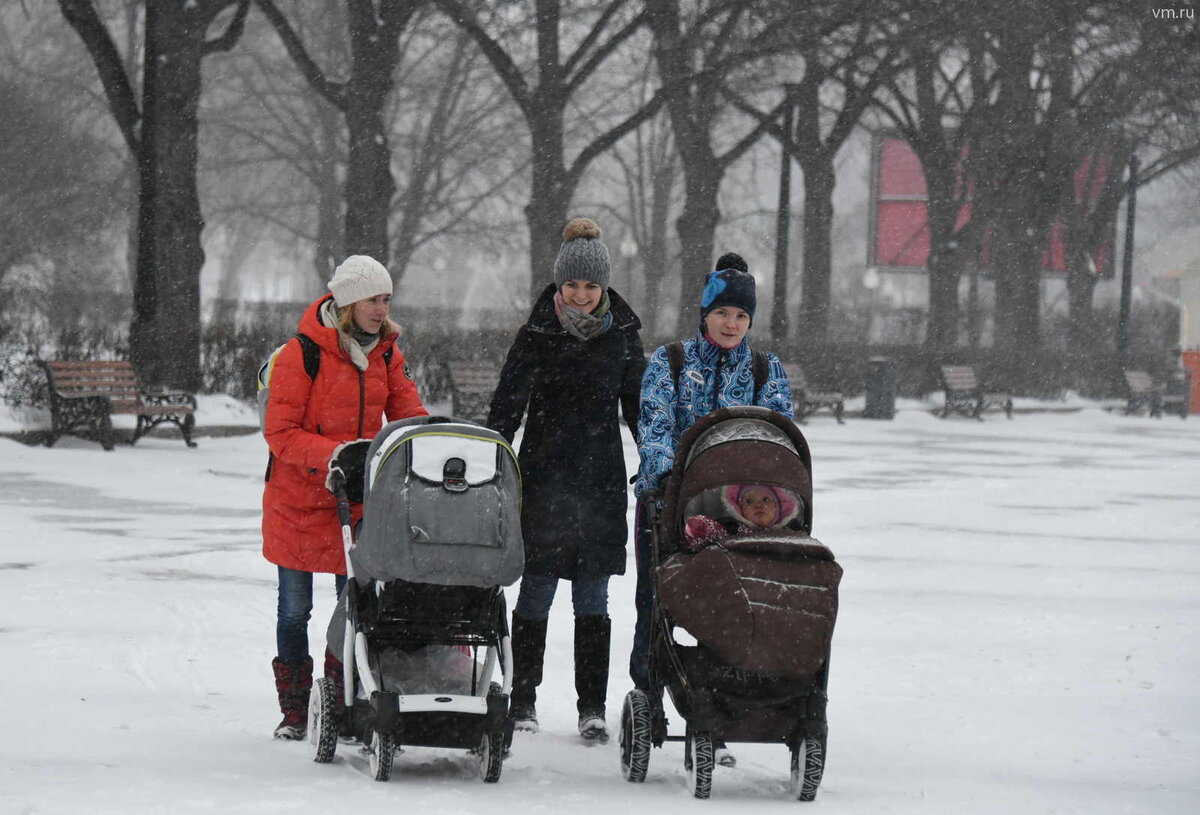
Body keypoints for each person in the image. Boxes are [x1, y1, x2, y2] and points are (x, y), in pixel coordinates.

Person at [630, 253, 793, 766]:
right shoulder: (671, 362)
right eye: (723, 313)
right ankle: (650, 697)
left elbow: (779, 436)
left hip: (743, 514)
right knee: (655, 605)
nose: (731, 324)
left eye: (741, 316)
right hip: (673, 506)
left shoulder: (766, 370)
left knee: (729, 608)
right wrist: (664, 482)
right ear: (704, 315)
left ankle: (720, 705)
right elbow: (654, 426)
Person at [487, 217, 645, 743]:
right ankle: (523, 699)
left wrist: (657, 460)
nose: (580, 295)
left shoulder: (622, 335)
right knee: (535, 592)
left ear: (604, 287)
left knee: (593, 599)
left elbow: (641, 408)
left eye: (590, 286)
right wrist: (491, 451)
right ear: (559, 284)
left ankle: (592, 707)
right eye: (572, 284)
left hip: (599, 480)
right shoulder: (537, 334)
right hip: (544, 476)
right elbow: (509, 401)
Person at [262, 254, 428, 740]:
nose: (381, 309)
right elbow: (281, 432)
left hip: (354, 503)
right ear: (348, 302)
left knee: (354, 608)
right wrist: (336, 453)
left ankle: (342, 701)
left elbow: (407, 414)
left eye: (386, 299)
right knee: (294, 610)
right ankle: (294, 710)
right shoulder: (301, 354)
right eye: (373, 299)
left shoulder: (387, 353)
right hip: (298, 501)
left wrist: (426, 440)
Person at [683, 483, 803, 551]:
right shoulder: (732, 529)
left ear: (779, 507)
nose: (759, 505)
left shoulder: (790, 531)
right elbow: (711, 533)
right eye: (750, 501)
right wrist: (701, 527)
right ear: (739, 509)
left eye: (766, 499)